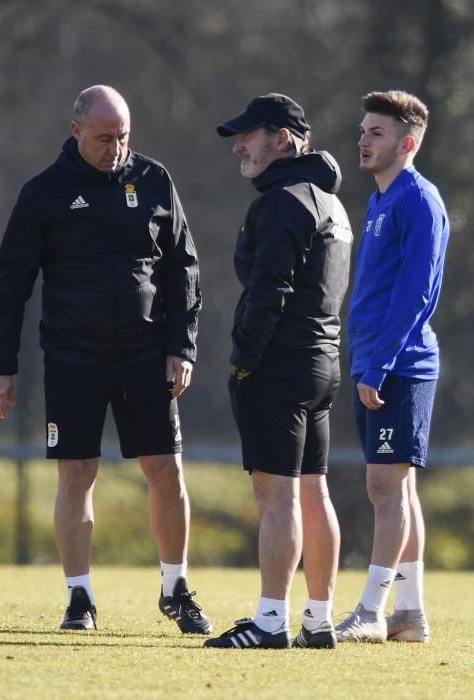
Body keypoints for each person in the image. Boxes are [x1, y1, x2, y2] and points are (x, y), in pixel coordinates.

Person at [0, 85, 212, 635]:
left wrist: (182, 348)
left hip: (146, 355)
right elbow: (11, 284)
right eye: (106, 137)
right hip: (72, 357)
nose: (116, 147)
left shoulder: (154, 180)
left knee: (166, 470)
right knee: (78, 474)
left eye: (124, 137)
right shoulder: (44, 193)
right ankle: (79, 599)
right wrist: (0, 365)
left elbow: (184, 269)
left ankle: (176, 589)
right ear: (77, 131)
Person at [204, 93, 352, 650]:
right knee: (314, 492)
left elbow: (272, 290)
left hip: (281, 365)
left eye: (249, 135)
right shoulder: (330, 204)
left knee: (278, 496)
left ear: (283, 139)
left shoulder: (284, 200)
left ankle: (270, 622)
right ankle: (318, 620)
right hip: (321, 364)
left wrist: (243, 358)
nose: (239, 145)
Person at [335, 91, 449, 643]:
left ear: (406, 144)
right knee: (398, 492)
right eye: (362, 130)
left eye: (375, 133)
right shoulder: (381, 200)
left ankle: (371, 611)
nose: (362, 139)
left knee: (384, 488)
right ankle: (410, 614)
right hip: (377, 364)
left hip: (400, 367)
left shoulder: (417, 200)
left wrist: (378, 365)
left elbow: (416, 294)